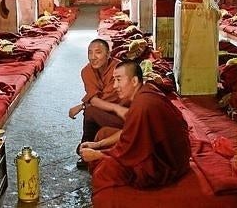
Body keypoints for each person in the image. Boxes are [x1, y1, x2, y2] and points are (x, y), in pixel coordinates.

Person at [80, 61, 191, 194]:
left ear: (134, 81)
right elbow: (129, 132)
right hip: (162, 150)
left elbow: (128, 150)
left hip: (166, 163)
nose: (115, 86)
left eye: (119, 80)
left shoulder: (142, 104)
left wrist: (100, 155)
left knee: (104, 170)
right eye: (114, 80)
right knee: (103, 134)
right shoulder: (145, 90)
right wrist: (98, 144)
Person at [69, 38, 127, 168]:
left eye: (98, 52)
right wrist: (87, 103)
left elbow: (104, 99)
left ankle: (86, 148)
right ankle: (87, 148)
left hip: (125, 116)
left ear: (108, 54)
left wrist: (83, 105)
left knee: (90, 111)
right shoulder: (87, 71)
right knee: (91, 111)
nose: (93, 57)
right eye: (90, 53)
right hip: (108, 114)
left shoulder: (119, 70)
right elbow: (94, 99)